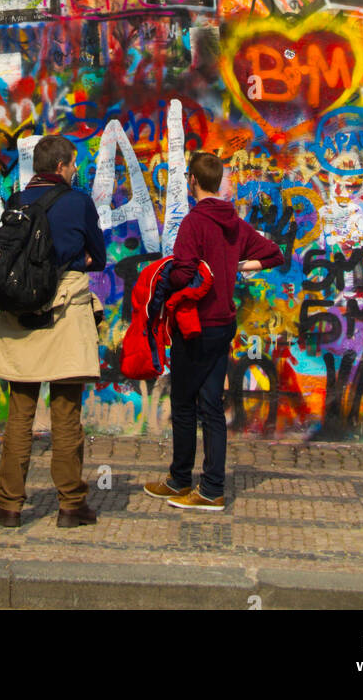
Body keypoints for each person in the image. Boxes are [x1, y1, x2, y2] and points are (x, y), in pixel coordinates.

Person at [143, 150, 282, 512]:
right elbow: (274, 254)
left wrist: (169, 272)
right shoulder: (233, 222)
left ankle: (181, 479)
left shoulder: (194, 223)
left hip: (195, 326)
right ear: (218, 180)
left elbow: (182, 273)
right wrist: (237, 266)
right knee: (212, 407)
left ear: (192, 181)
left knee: (184, 404)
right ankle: (213, 487)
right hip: (223, 325)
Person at [0, 134, 107, 529]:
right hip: (66, 315)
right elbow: (99, 257)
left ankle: (9, 506)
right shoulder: (78, 202)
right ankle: (71, 506)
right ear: (60, 167)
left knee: (19, 414)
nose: (75, 170)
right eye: (72, 164)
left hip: (21, 318)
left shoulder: (16, 202)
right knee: (66, 413)